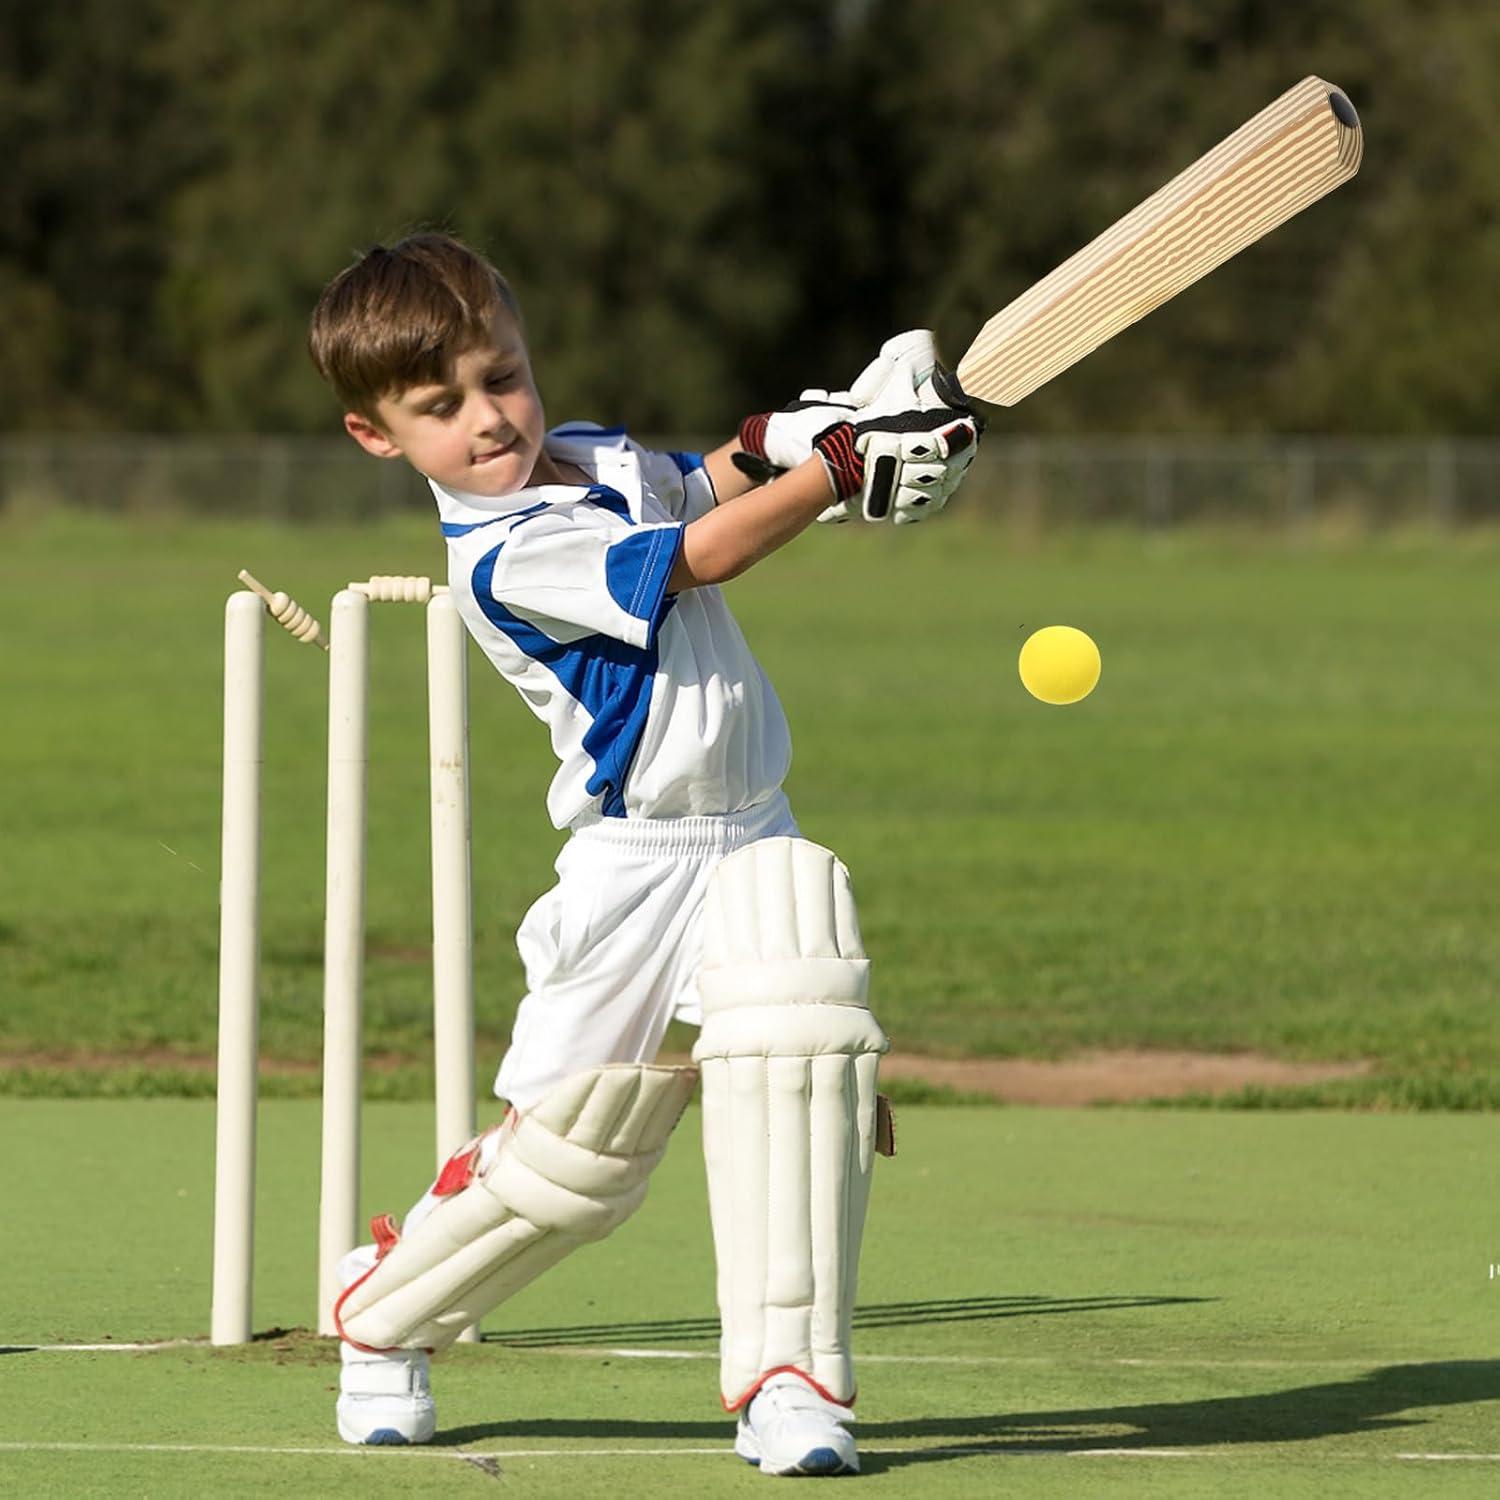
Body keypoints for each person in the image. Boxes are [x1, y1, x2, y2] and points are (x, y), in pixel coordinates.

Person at [307, 232, 980, 1476]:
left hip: (753, 829)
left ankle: (792, 1380)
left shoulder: (598, 456)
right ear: (377, 436)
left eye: (500, 376)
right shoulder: (507, 553)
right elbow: (696, 556)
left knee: (802, 1053)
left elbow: (700, 483)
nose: (488, 420)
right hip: (633, 863)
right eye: (438, 408)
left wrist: (813, 429)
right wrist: (840, 472)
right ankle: (383, 1311)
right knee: (571, 1162)